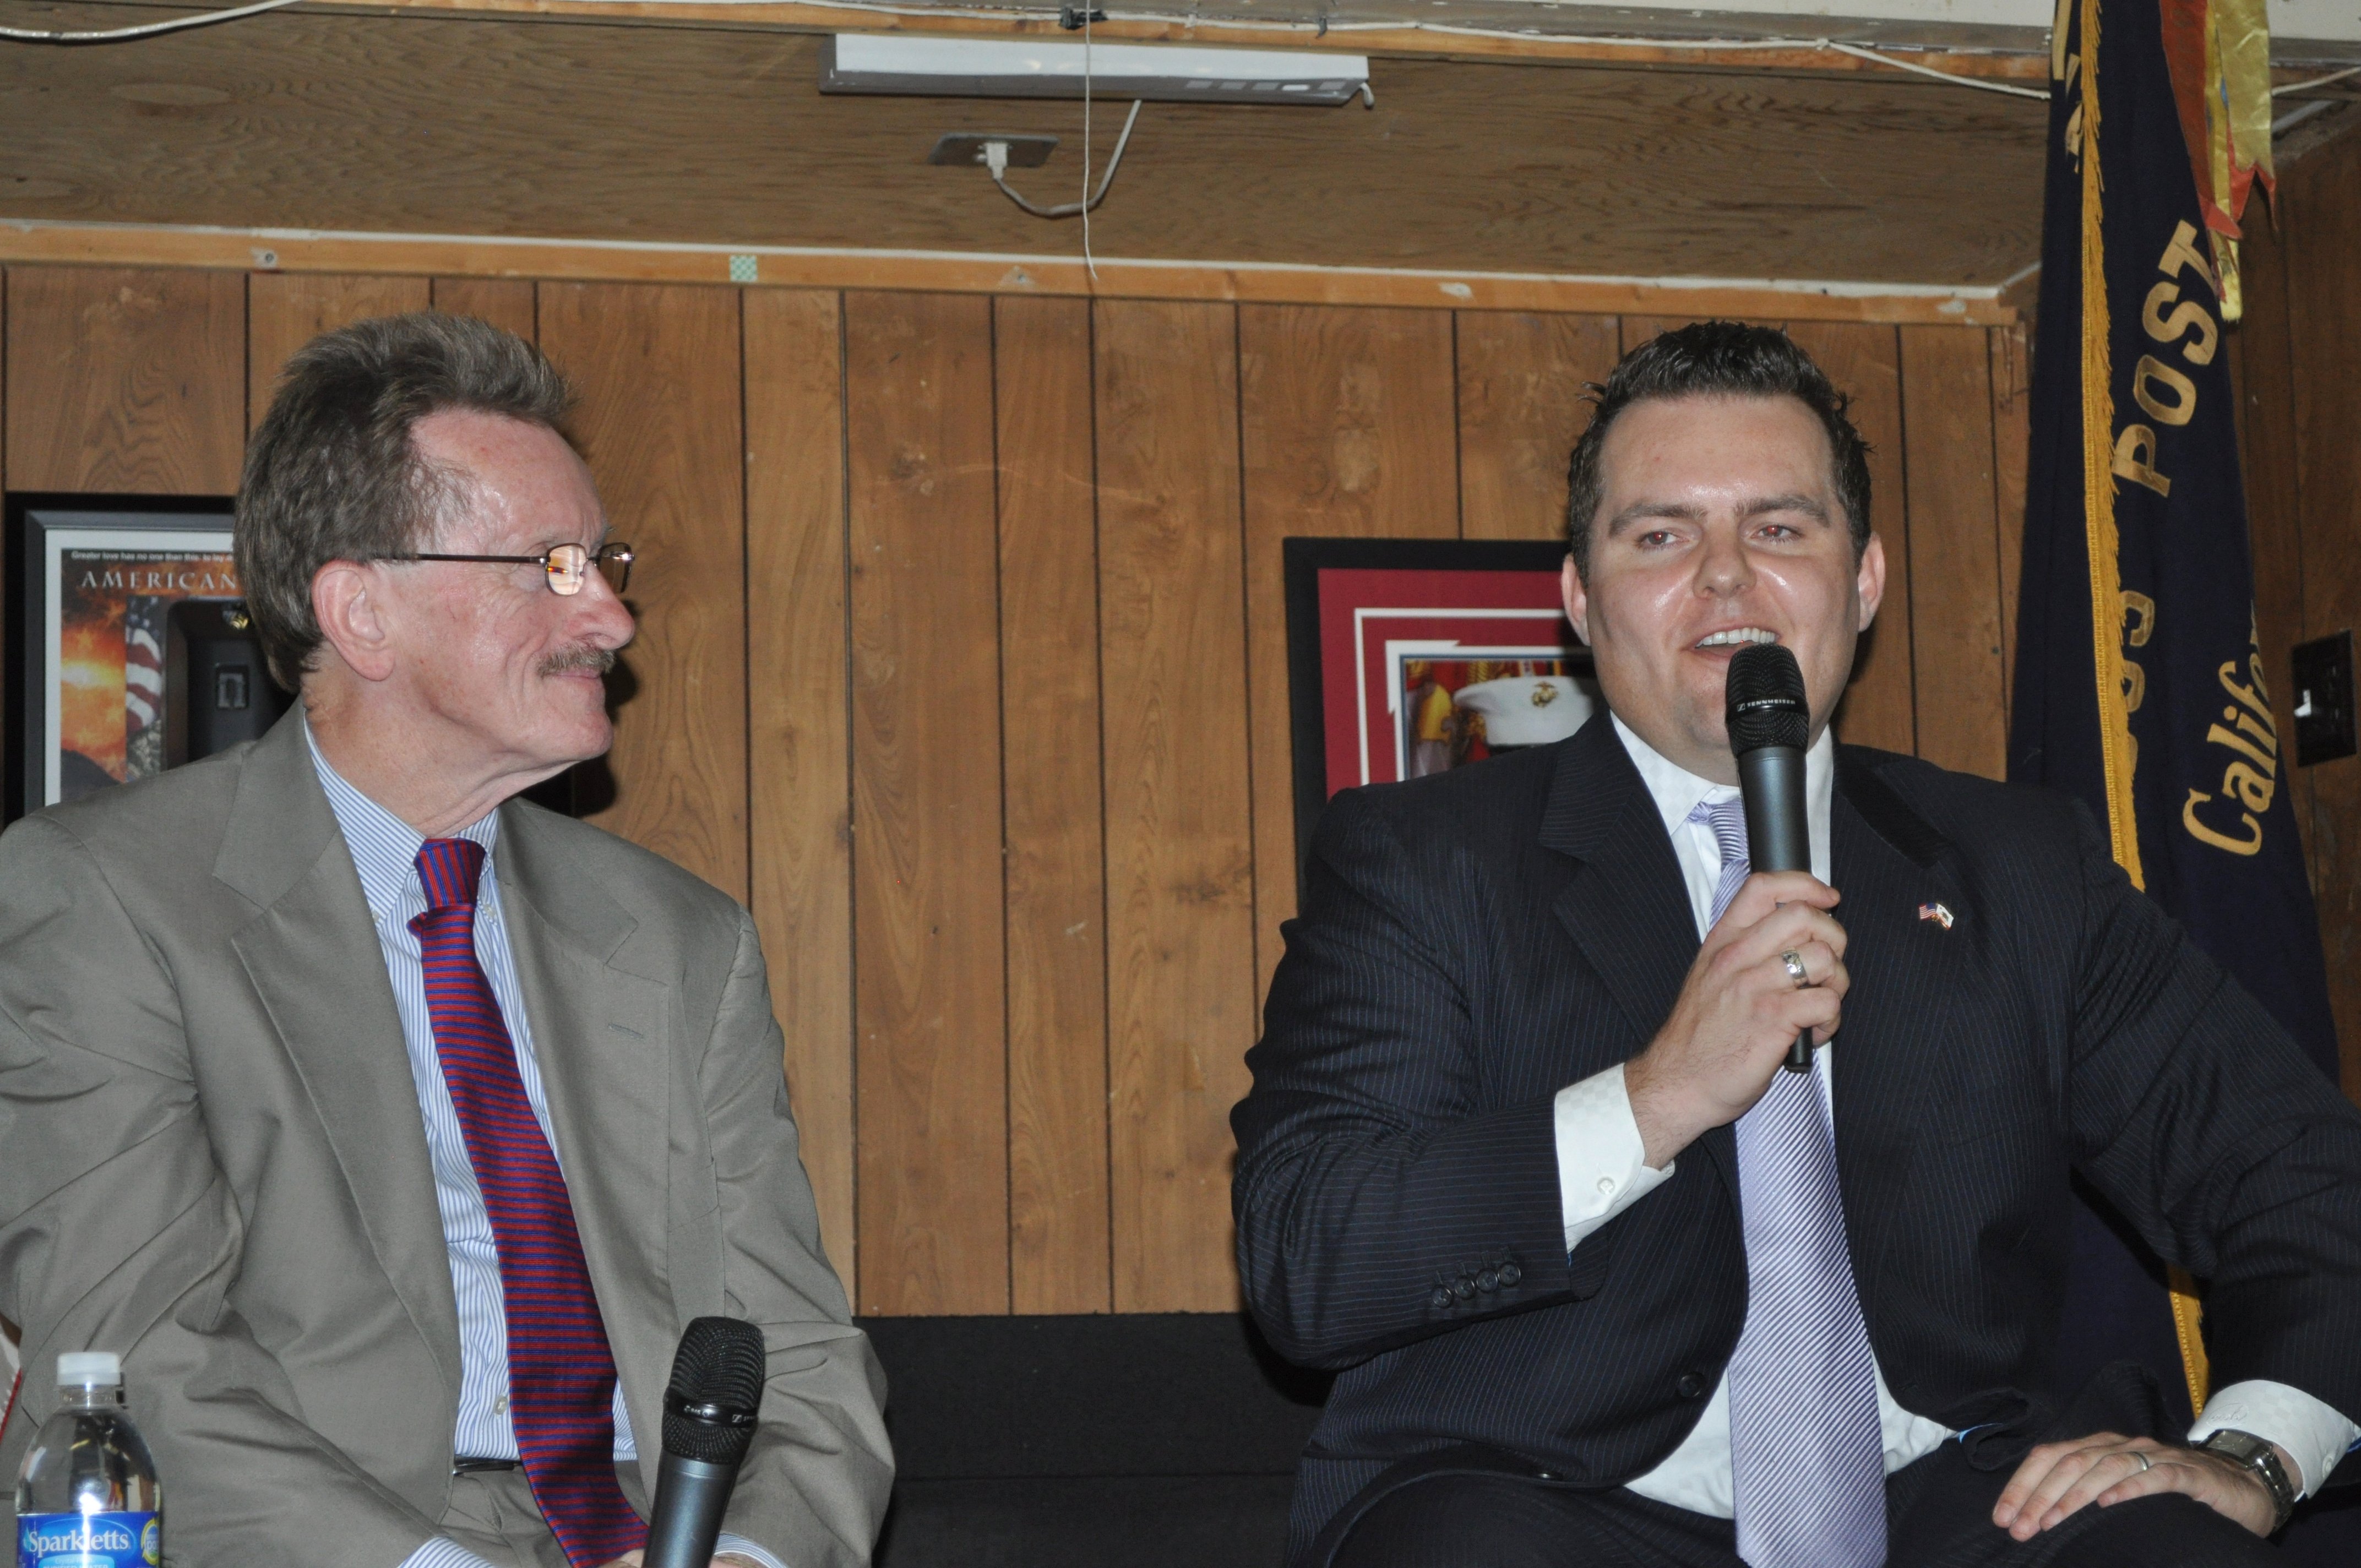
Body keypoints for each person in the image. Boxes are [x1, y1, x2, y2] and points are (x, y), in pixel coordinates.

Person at [1231, 322, 2361, 1568]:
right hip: (1545, 1506)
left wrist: (2256, 1454)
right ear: (1579, 598)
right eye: (1660, 536)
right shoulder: (1421, 861)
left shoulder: (2019, 868)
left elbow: (2307, 1177)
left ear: (1862, 581)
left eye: (1777, 529)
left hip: (1959, 1502)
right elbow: (1308, 1255)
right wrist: (1659, 1093)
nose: (1725, 579)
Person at [0, 313, 891, 1568]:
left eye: (604, 561)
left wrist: (747, 1559)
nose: (613, 617)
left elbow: (796, 1360)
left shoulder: (684, 941)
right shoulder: (110, 899)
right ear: (363, 613)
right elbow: (134, 1361)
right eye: (552, 566)